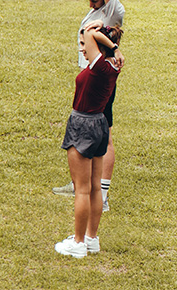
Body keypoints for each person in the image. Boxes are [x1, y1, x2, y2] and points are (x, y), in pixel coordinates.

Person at [52, 0, 125, 212]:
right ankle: (81, 183)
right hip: (90, 75)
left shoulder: (113, 10)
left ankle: (101, 195)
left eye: (95, 0)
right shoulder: (101, 9)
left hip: (99, 78)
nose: (92, 5)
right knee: (90, 133)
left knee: (105, 135)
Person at [55, 24, 123, 258]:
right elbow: (91, 33)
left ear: (100, 47)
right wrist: (112, 47)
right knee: (95, 188)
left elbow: (90, 34)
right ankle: (92, 239)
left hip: (83, 125)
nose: (82, 48)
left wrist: (108, 43)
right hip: (99, 124)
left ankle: (78, 242)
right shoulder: (113, 66)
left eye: (85, 46)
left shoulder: (99, 67)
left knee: (82, 190)